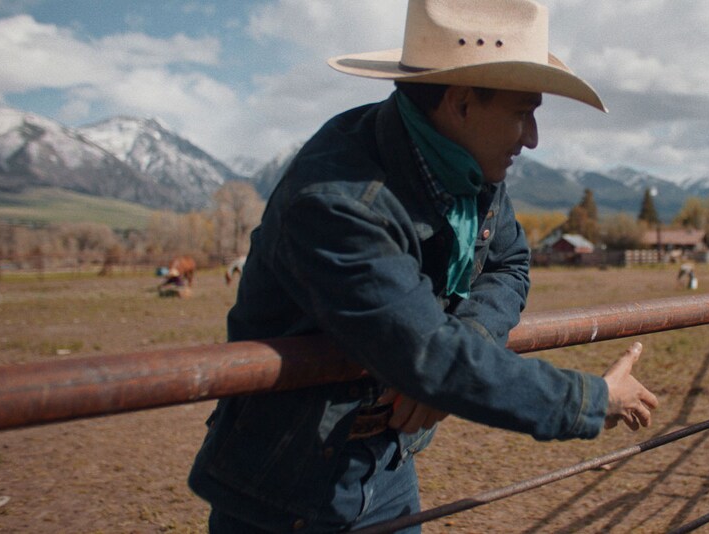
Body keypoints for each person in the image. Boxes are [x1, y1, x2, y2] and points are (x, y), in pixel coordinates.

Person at [188, 1, 659, 532]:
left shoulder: (471, 169)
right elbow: (430, 355)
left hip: (387, 466)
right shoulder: (339, 202)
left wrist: (461, 344)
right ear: (460, 103)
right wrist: (593, 400)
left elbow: (508, 264)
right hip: (285, 488)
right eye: (523, 112)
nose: (531, 138)